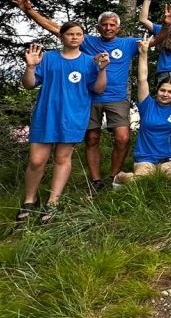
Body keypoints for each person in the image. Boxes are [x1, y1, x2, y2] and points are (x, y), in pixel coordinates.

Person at [12, 0, 140, 193]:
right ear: (98, 27)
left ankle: (112, 177)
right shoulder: (82, 42)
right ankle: (95, 180)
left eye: (112, 24)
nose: (108, 27)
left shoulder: (127, 44)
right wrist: (29, 10)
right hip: (79, 101)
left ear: (118, 27)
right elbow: (55, 27)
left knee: (121, 138)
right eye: (104, 24)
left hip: (108, 100)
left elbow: (158, 41)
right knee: (89, 139)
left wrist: (161, 12)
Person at [17, 23, 109, 224]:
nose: (75, 37)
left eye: (79, 34)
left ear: (83, 38)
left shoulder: (89, 62)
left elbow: (99, 89)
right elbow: (28, 84)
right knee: (36, 160)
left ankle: (53, 203)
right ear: (61, 37)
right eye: (70, 34)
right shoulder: (48, 58)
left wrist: (102, 70)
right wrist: (30, 66)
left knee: (62, 158)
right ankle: (29, 201)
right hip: (46, 115)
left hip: (73, 117)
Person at [113, 34, 171, 186]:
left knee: (170, 180)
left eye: (170, 92)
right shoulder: (147, 104)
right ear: (157, 91)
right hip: (145, 157)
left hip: (169, 158)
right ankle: (120, 176)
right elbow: (142, 79)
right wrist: (144, 53)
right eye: (162, 90)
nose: (165, 94)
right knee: (143, 181)